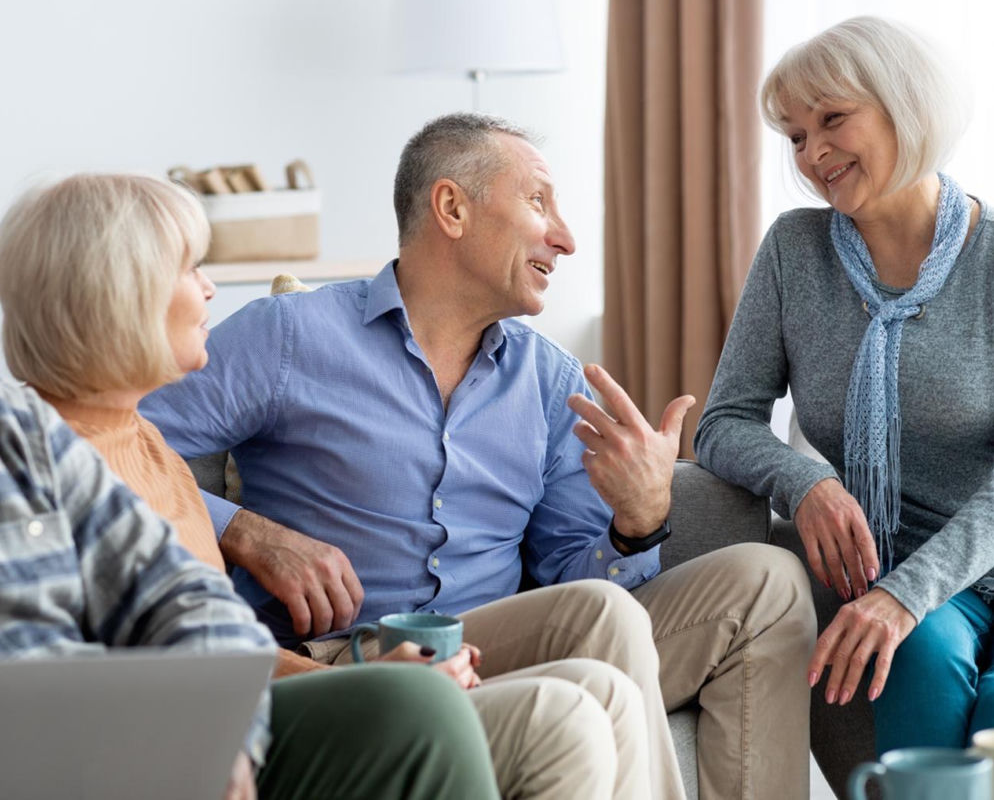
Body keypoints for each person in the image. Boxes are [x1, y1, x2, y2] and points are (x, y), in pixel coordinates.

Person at [142, 113, 816, 799]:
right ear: (452, 208)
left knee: (770, 580)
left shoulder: (551, 383)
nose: (566, 238)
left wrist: (637, 523)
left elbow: (573, 572)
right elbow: (107, 452)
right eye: (537, 202)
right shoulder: (290, 336)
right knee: (600, 614)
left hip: (500, 643)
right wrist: (244, 532)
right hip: (344, 655)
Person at [0, 172, 649, 799]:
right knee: (535, 714)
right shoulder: (44, 460)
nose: (210, 289)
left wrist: (637, 520)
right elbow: (51, 679)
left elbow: (206, 633)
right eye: (190, 269)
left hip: (242, 708)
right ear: (119, 295)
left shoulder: (146, 451)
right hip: (179, 735)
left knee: (603, 685)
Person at [694, 15, 994, 757]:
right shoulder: (794, 253)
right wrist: (808, 483)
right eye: (795, 135)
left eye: (832, 120)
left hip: (966, 560)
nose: (813, 152)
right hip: (908, 588)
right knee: (918, 655)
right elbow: (724, 421)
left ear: (904, 106)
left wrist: (905, 593)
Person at [0, 380, 500, 800]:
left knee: (578, 618)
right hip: (100, 735)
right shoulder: (61, 438)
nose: (211, 289)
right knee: (458, 709)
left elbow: (190, 600)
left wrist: (227, 724)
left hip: (213, 697)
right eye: (189, 270)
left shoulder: (37, 431)